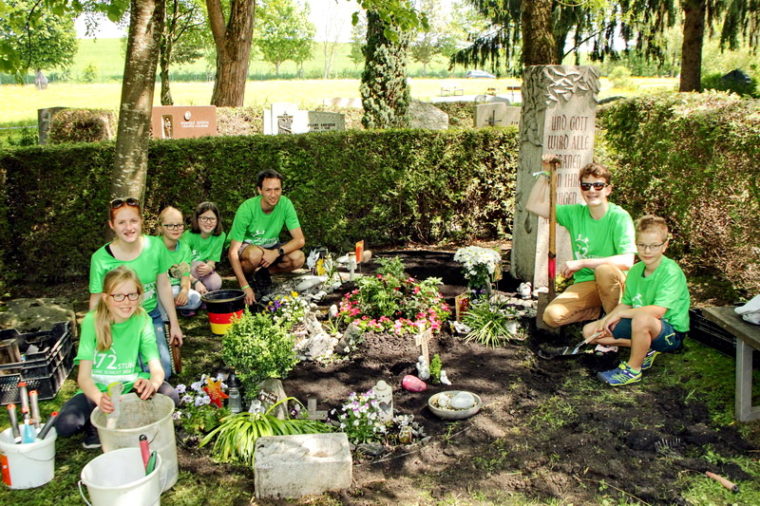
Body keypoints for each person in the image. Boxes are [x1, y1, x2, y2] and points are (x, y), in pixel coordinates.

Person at [55, 266, 179, 448]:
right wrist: (98, 398)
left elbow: (156, 367)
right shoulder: (91, 320)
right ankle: (96, 421)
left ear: (140, 295)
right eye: (118, 296)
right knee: (65, 426)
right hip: (98, 389)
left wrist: (151, 384)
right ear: (106, 298)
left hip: (129, 385)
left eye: (132, 295)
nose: (126, 302)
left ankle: (117, 416)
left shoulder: (142, 318)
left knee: (171, 396)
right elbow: (83, 377)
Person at [526, 160, 637, 328]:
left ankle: (616, 327)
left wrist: (582, 263)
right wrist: (546, 174)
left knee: (604, 271)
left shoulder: (619, 217)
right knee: (551, 316)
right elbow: (534, 205)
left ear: (608, 189)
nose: (591, 190)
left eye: (598, 185)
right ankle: (600, 315)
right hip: (587, 283)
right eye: (586, 186)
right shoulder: (575, 214)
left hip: (617, 284)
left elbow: (627, 261)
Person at [583, 216, 690, 385]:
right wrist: (607, 320)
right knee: (590, 332)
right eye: (642, 245)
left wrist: (623, 314)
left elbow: (658, 311)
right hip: (640, 323)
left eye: (654, 246)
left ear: (665, 246)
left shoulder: (671, 272)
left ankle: (633, 370)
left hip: (669, 332)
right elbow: (625, 303)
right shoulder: (636, 271)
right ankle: (645, 347)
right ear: (636, 244)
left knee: (641, 319)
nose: (647, 251)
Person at [89, 198, 183, 379]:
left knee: (162, 373)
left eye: (133, 221)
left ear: (141, 221)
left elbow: (163, 285)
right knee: (126, 376)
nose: (128, 227)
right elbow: (96, 299)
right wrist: (94, 336)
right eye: (121, 222)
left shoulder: (156, 246)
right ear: (112, 225)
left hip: (150, 316)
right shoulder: (100, 259)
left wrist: (174, 324)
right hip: (118, 324)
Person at [228, 169, 306, 305]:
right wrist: (244, 286)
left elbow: (299, 240)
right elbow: (232, 252)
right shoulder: (246, 208)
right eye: (268, 190)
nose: (273, 195)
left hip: (271, 248)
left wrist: (276, 253)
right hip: (248, 249)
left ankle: (261, 274)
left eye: (277, 189)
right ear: (259, 190)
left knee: (298, 258)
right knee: (254, 254)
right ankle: (249, 280)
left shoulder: (285, 204)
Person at [157, 206, 202, 317]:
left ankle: (167, 306)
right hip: (155, 289)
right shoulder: (153, 246)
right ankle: (163, 312)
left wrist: (184, 291)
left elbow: (185, 275)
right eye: (170, 225)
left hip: (174, 288)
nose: (176, 228)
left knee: (196, 299)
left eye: (179, 225)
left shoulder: (184, 248)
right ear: (160, 227)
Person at [183, 201, 226, 294]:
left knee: (216, 283)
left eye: (212, 219)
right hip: (186, 272)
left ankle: (204, 298)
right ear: (197, 219)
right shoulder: (188, 235)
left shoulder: (220, 236)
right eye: (204, 218)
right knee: (197, 264)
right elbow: (180, 264)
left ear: (217, 220)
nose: (208, 222)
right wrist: (195, 281)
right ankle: (191, 293)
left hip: (203, 271)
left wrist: (209, 267)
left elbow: (212, 261)